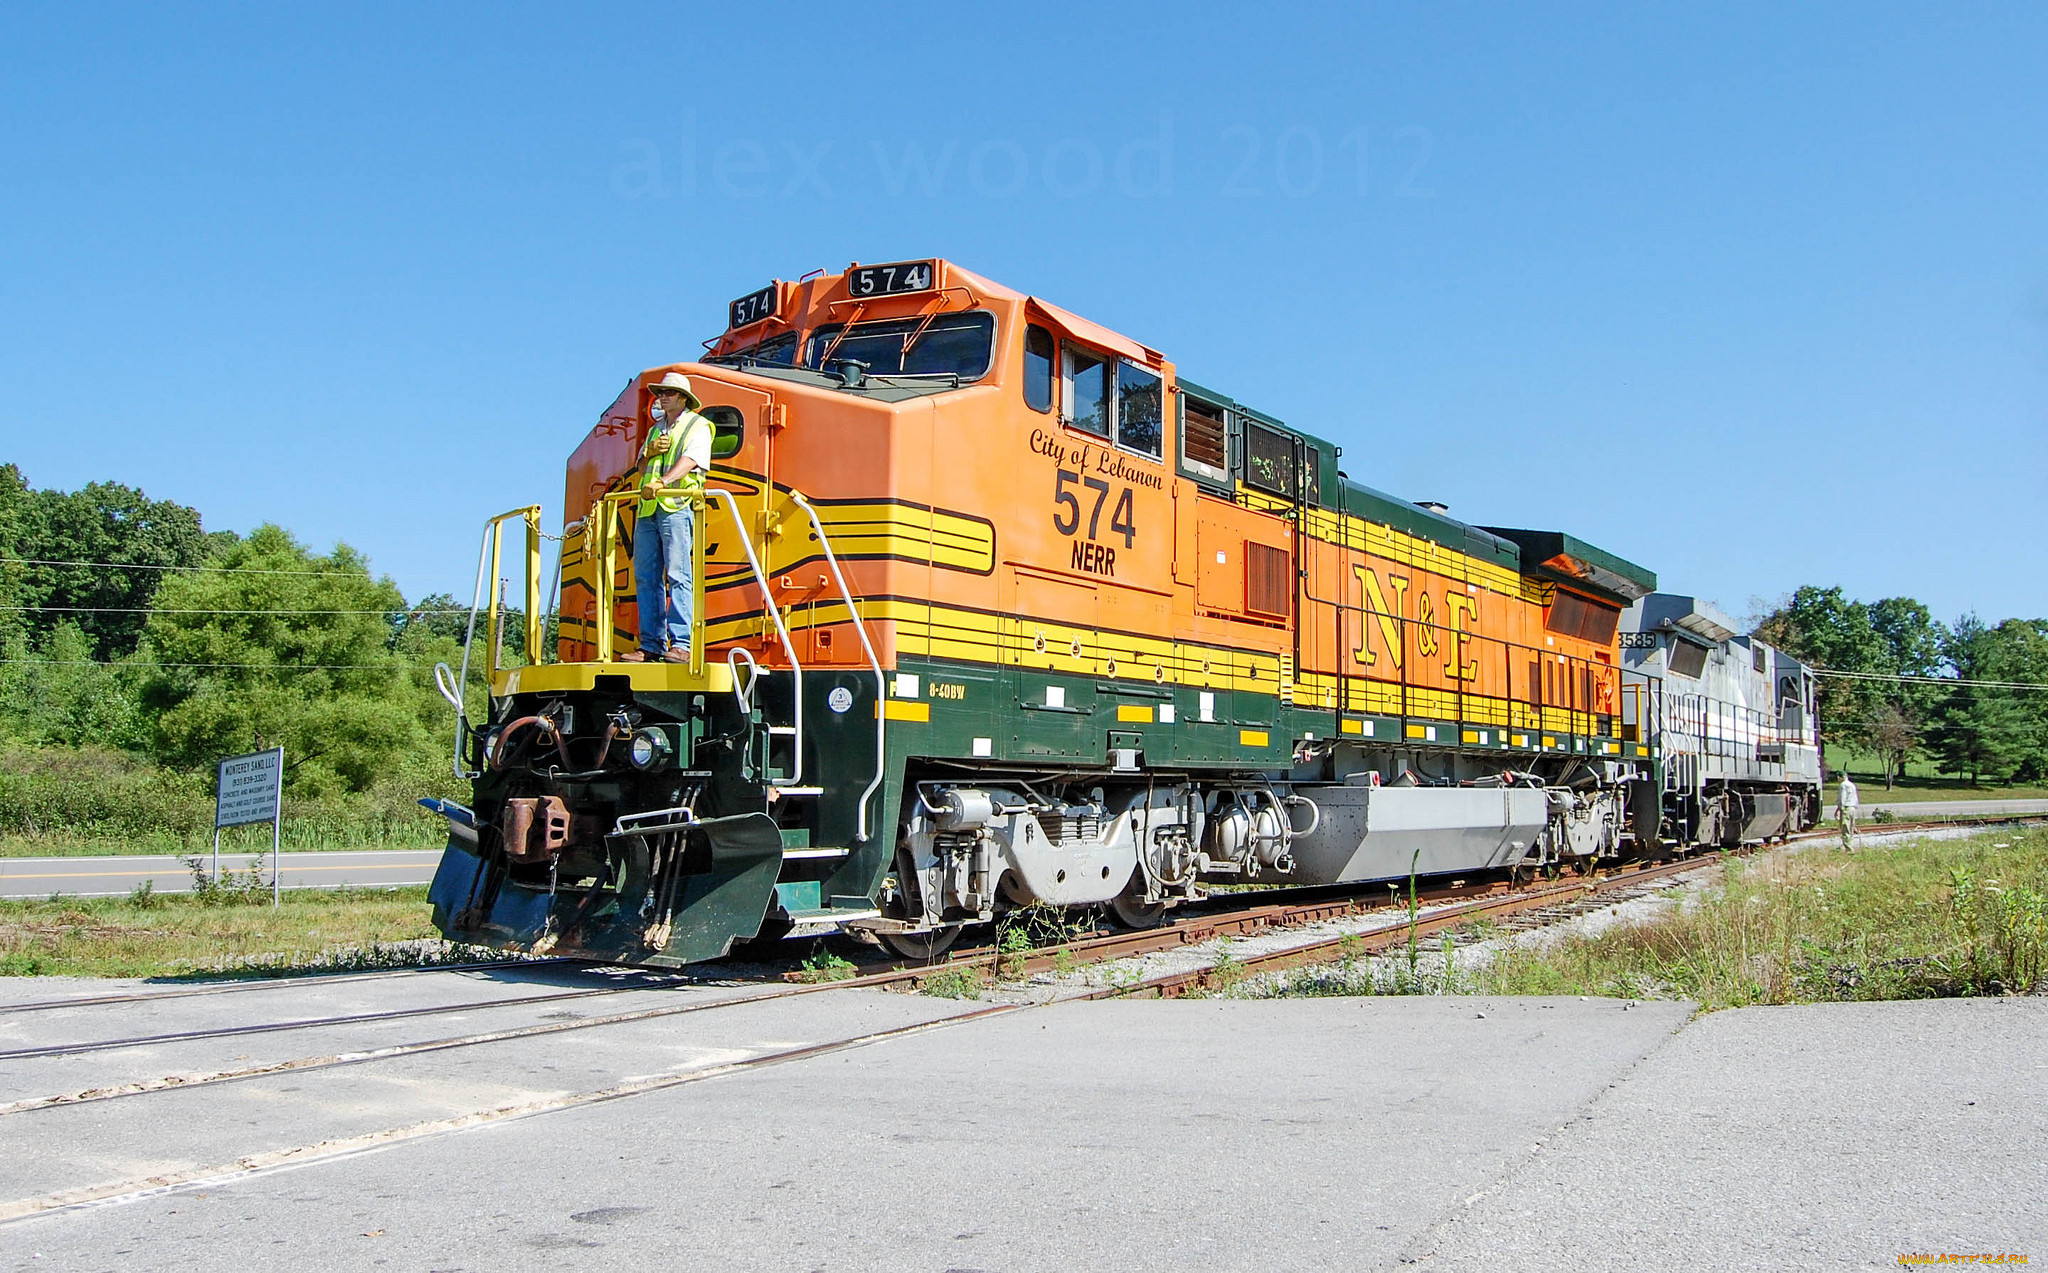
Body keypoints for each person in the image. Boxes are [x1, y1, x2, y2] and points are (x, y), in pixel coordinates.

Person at [621, 372, 713, 664]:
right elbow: (640, 466)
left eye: (669, 393)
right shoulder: (654, 430)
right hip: (648, 510)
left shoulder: (698, 426)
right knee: (646, 578)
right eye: (660, 393)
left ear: (684, 398)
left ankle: (682, 644)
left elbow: (691, 460)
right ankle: (651, 644)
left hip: (676, 506)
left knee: (678, 575)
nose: (662, 397)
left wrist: (662, 482)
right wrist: (648, 451)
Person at [1836, 771, 1860, 851]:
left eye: (1838, 777)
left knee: (1845, 827)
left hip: (1846, 807)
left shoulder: (1843, 785)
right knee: (1851, 827)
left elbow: (1843, 797)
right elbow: (1856, 798)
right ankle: (1850, 844)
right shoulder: (1852, 785)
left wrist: (1840, 808)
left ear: (1840, 777)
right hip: (1853, 807)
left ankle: (1848, 848)